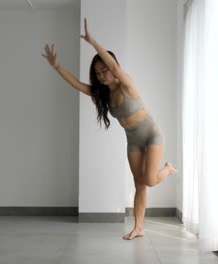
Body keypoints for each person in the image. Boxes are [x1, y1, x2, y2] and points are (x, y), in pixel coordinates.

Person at [41, 17, 177, 240]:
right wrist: (56, 66)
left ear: (114, 70)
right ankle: (138, 228)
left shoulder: (127, 84)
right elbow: (77, 84)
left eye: (105, 70)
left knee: (151, 180)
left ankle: (168, 169)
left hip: (152, 134)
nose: (102, 74)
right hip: (133, 140)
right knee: (139, 183)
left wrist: (92, 41)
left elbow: (113, 64)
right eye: (98, 73)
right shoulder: (102, 95)